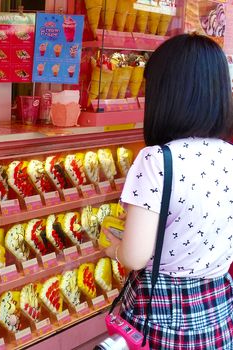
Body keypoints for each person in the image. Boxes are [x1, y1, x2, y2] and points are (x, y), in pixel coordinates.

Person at [103, 33, 233, 349]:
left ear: (167, 95)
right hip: (217, 308)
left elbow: (135, 255)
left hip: (163, 313)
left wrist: (113, 250)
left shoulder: (157, 160)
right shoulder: (229, 154)